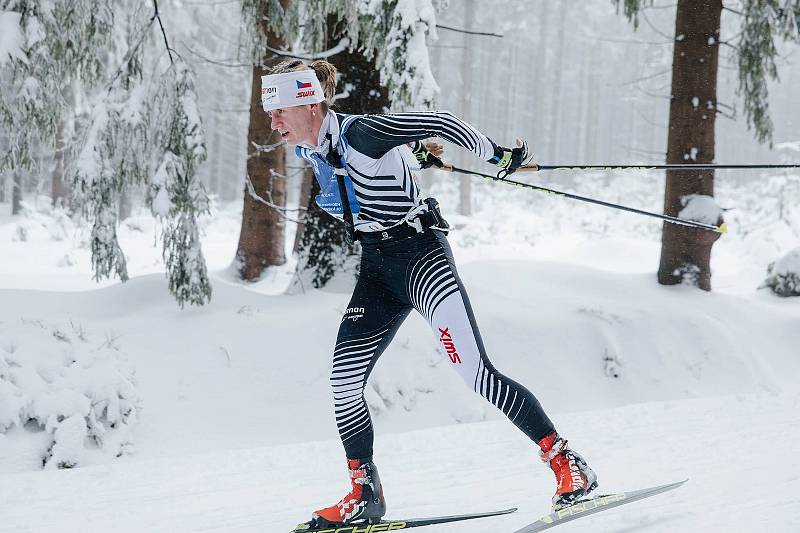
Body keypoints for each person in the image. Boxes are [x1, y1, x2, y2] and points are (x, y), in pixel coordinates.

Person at [261, 59, 598, 528]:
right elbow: (369, 178)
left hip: (421, 257)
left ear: (311, 104)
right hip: (377, 271)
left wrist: (498, 155)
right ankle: (364, 495)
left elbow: (441, 120)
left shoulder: (361, 132)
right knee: (343, 381)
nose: (273, 120)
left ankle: (569, 465)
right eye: (269, 110)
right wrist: (417, 155)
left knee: (476, 374)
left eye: (279, 109)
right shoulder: (312, 150)